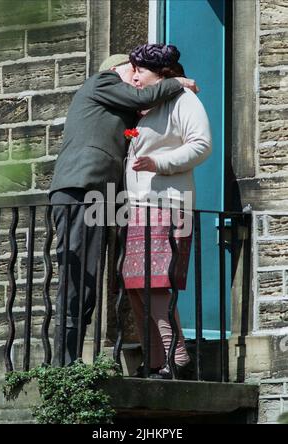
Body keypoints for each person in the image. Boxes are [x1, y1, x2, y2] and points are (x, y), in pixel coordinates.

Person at [49, 52, 198, 366]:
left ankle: (72, 361)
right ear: (115, 70)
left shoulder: (123, 109)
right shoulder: (101, 81)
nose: (136, 76)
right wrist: (177, 81)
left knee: (91, 278)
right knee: (76, 275)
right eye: (133, 70)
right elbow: (143, 95)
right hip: (81, 189)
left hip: (103, 198)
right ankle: (64, 364)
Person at [122, 44, 212, 379]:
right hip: (137, 207)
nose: (134, 77)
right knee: (135, 284)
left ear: (162, 74)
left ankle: (177, 355)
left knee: (154, 282)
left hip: (167, 204)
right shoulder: (145, 108)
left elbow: (201, 145)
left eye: (139, 71)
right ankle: (156, 360)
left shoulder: (183, 101)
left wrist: (159, 162)